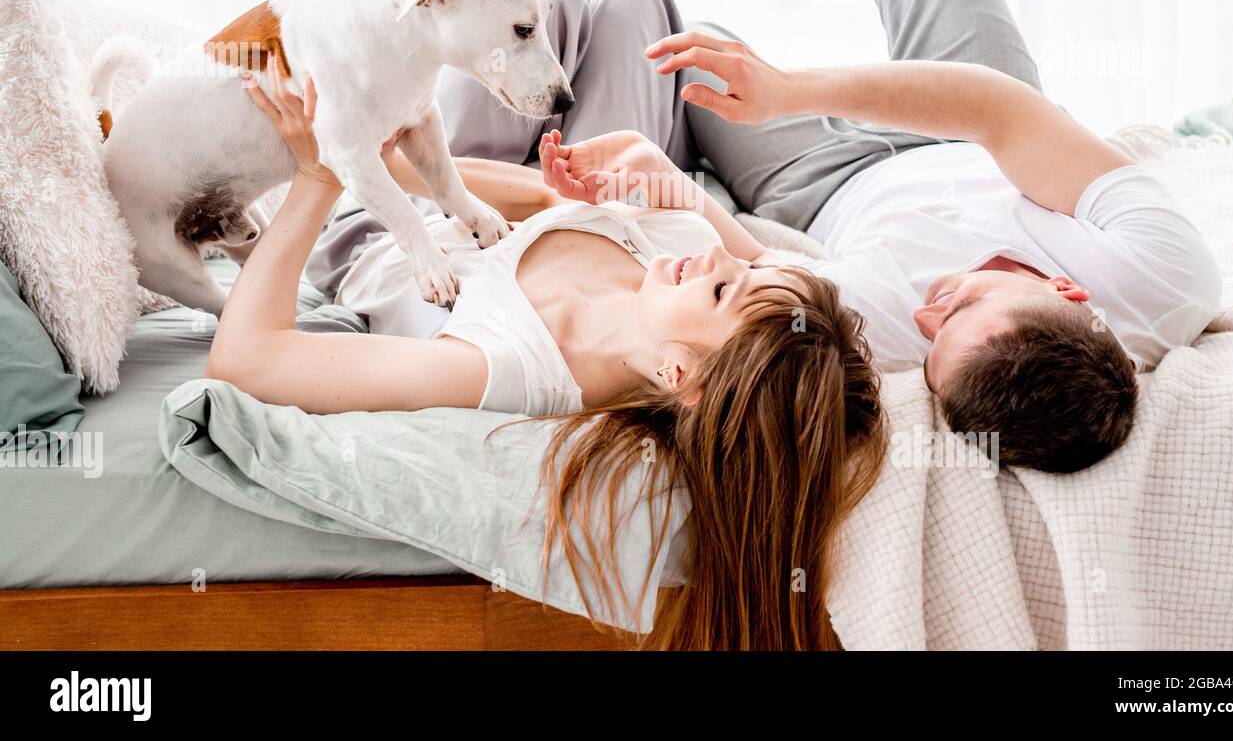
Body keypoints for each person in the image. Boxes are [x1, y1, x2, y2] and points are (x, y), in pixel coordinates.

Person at [535, 0, 1222, 473]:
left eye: (930, 350)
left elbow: (754, 267)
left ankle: (669, 125)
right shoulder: (1165, 277)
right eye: (959, 307)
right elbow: (998, 113)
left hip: (830, 182)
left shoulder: (895, 337)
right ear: (1066, 289)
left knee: (700, 58)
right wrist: (790, 90)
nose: (928, 312)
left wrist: (665, 181)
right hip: (982, 128)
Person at [205, 67, 887, 651]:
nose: (717, 253)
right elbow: (537, 195)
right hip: (439, 188)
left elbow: (244, 359)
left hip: (360, 227)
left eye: (720, 287)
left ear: (679, 374)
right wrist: (381, 160)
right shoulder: (674, 240)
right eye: (736, 266)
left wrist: (323, 172)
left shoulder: (503, 364)